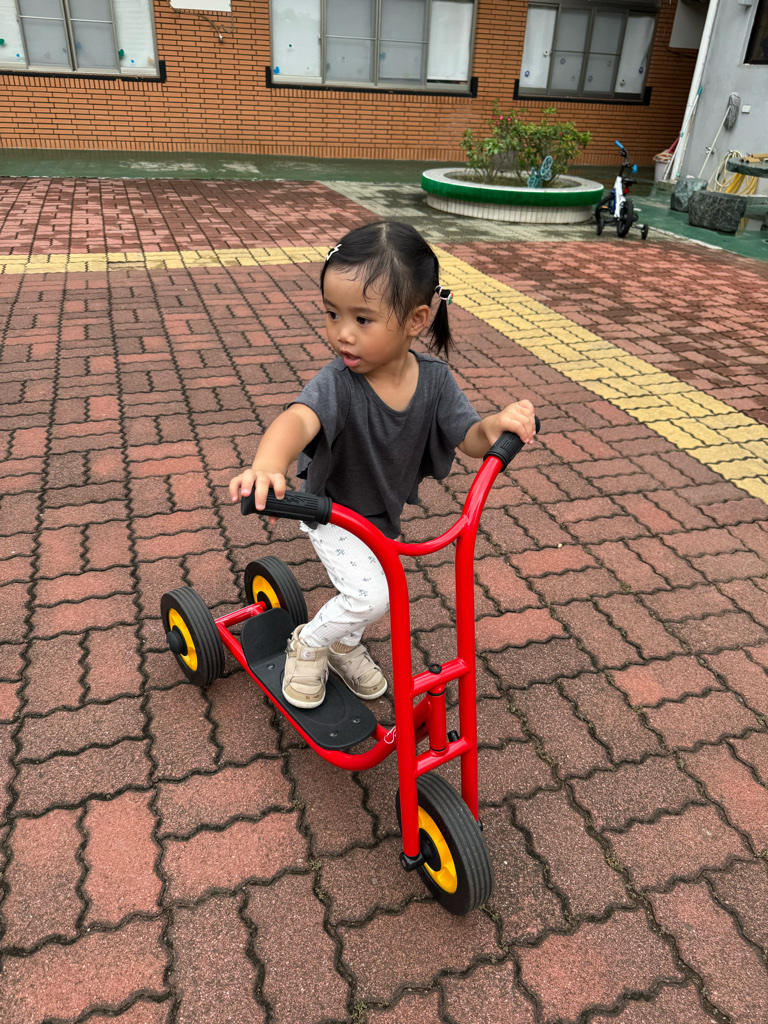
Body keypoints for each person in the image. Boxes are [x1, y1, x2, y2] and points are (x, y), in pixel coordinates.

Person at [229, 221, 535, 710]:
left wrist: (496, 424)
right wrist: (268, 463)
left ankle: (343, 644)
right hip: (333, 513)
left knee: (376, 590)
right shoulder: (338, 383)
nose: (342, 334)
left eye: (363, 319)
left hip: (381, 516)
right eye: (332, 314)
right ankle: (309, 642)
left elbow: (470, 438)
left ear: (416, 320)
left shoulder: (435, 381)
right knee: (372, 596)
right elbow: (298, 420)